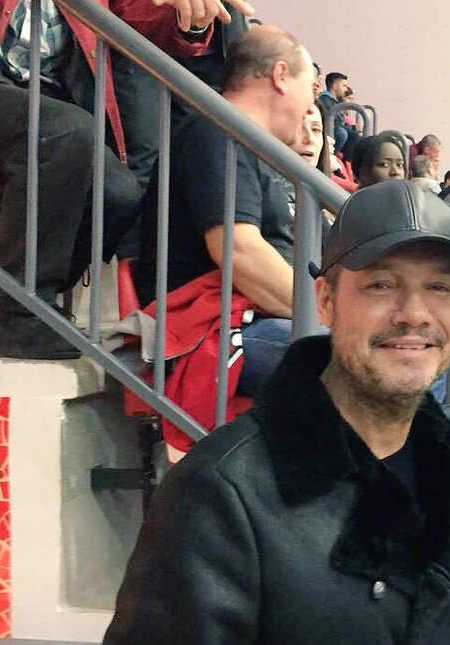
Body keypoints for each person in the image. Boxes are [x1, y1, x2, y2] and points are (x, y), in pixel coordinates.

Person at [77, 179, 450, 645]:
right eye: (380, 285)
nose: (414, 313)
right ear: (325, 300)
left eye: (439, 287)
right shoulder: (222, 493)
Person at [0, 0, 240, 359]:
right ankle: (12, 307)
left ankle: (22, 299)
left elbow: (135, 13)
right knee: (68, 134)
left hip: (47, 92)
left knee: (119, 194)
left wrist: (184, 16)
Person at [133, 25, 317, 416]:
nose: (310, 105)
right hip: (217, 327)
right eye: (310, 88)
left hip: (259, 318)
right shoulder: (217, 132)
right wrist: (333, 313)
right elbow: (239, 251)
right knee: (379, 361)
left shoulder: (253, 147)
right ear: (281, 75)